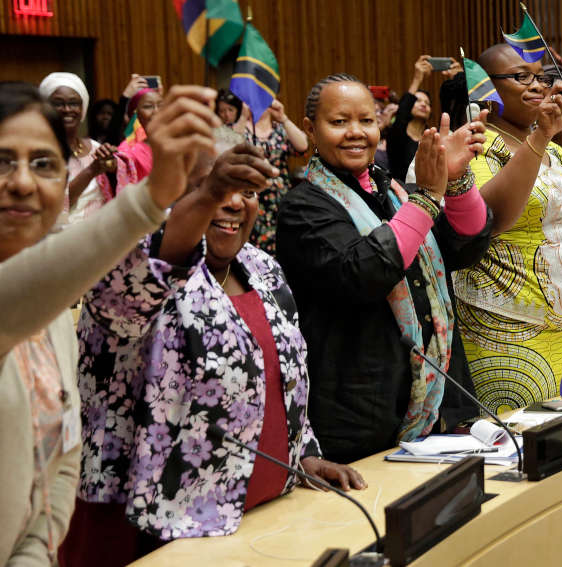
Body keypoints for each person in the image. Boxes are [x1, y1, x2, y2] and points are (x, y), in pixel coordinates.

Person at [62, 129, 364, 566]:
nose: (234, 201)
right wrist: (207, 195)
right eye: (213, 186)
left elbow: (281, 382)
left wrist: (304, 457)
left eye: (245, 189)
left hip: (266, 520)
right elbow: (147, 277)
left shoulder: (263, 269)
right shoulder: (131, 267)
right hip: (164, 536)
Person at [0, 82, 219, 567]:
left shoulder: (56, 310)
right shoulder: (38, 293)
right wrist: (150, 198)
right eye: (2, 161)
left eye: (43, 163)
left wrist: (31, 555)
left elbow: (61, 454)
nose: (22, 182)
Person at [277, 73, 493, 463]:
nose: (356, 132)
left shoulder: (390, 190)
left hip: (437, 402)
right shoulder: (302, 207)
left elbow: (464, 246)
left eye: (366, 120)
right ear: (310, 129)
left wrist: (457, 180)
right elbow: (363, 273)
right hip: (359, 413)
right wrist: (427, 197)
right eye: (339, 122)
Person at [455, 43, 562, 414]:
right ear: (484, 89)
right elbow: (491, 218)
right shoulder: (474, 143)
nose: (537, 86)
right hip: (505, 330)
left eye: (540, 77)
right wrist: (540, 137)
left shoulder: (555, 151)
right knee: (524, 451)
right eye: (522, 77)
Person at [40, 73, 137, 225]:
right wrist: (91, 171)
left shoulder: (96, 148)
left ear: (82, 108)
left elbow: (121, 190)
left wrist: (113, 167)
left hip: (100, 237)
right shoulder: (37, 154)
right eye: (58, 103)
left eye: (74, 103)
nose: (67, 109)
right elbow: (53, 207)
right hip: (60, 242)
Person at [235, 98, 308, 255]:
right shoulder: (240, 129)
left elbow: (302, 146)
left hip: (280, 199)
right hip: (251, 198)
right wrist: (242, 117)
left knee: (285, 245)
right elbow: (228, 146)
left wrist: (284, 118)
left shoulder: (280, 129)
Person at [387, 55, 435, 182]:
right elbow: (402, 112)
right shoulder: (397, 133)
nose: (423, 104)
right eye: (417, 100)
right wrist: (417, 78)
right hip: (402, 194)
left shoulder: (432, 138)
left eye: (427, 102)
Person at [114, 87, 163, 182]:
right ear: (134, 114)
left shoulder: (171, 143)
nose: (157, 112)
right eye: (148, 106)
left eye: (161, 106)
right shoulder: (126, 151)